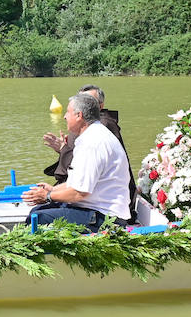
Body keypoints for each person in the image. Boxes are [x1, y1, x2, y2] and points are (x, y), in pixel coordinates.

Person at [21, 93, 136, 232]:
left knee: (38, 217)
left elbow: (79, 193)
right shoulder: (94, 135)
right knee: (38, 210)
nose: (64, 116)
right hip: (95, 210)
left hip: (105, 218)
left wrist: (46, 196)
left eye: (68, 112)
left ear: (79, 115)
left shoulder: (92, 143)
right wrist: (53, 190)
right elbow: (77, 183)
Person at [43, 84, 124, 184]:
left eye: (89, 101)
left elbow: (88, 167)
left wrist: (64, 149)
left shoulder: (101, 126)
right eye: (81, 100)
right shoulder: (85, 125)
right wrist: (63, 149)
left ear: (100, 106)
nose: (84, 104)